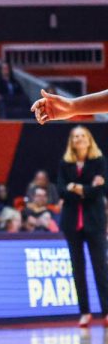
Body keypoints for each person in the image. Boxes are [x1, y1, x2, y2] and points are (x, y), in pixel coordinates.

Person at [56, 126, 108, 326]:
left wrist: (76, 187)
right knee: (78, 269)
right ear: (71, 141)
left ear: (89, 139)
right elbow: (61, 191)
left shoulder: (99, 162)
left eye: (82, 136)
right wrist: (88, 187)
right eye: (75, 136)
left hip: (94, 222)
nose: (79, 139)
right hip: (72, 223)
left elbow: (102, 189)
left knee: (100, 267)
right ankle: (84, 312)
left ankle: (106, 310)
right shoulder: (64, 164)